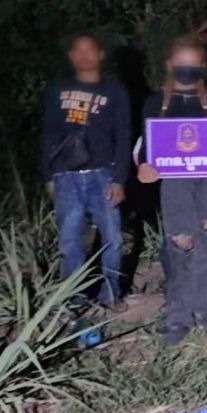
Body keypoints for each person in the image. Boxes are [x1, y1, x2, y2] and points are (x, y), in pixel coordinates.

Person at [137, 35, 207, 344]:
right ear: (170, 64)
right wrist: (144, 166)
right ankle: (178, 317)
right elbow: (146, 145)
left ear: (203, 65)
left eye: (194, 63)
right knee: (179, 244)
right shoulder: (157, 101)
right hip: (174, 183)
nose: (188, 68)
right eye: (182, 63)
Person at [41, 33, 132, 309]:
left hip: (103, 173)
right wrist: (48, 175)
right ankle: (75, 299)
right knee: (69, 241)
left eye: (89, 50)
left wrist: (120, 178)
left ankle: (111, 294)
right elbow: (48, 133)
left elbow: (124, 135)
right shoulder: (58, 89)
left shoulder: (115, 91)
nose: (84, 55)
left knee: (113, 238)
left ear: (100, 54)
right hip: (66, 176)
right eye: (78, 50)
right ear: (71, 56)